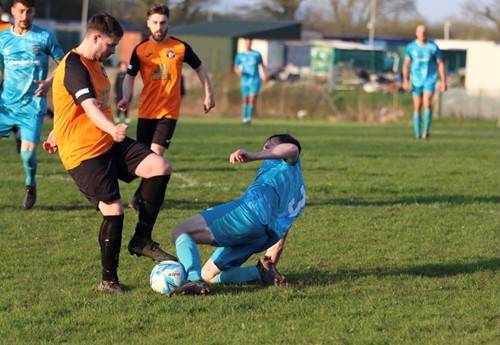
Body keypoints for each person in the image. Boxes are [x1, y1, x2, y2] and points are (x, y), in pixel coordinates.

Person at [43, 12, 176, 295]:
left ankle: (142, 240)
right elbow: (89, 107)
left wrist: (59, 128)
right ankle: (109, 281)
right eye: (111, 45)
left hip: (106, 140)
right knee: (114, 210)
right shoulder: (75, 66)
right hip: (84, 153)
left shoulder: (97, 63)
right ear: (94, 38)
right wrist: (112, 128)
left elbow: (78, 106)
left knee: (160, 167)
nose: (113, 50)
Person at [164, 134, 306, 296]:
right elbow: (283, 230)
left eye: (269, 147)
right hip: (262, 237)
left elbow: (292, 148)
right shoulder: (298, 188)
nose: (265, 151)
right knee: (208, 274)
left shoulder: (285, 162)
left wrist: (254, 156)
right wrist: (270, 261)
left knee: (181, 231)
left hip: (248, 214)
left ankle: (193, 280)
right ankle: (258, 272)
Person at [118, 2, 215, 211]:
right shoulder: (141, 50)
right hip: (146, 112)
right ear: (148, 23)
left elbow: (200, 69)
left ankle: (139, 198)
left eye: (163, 22)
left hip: (168, 113)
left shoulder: (179, 47)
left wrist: (209, 94)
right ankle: (138, 193)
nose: (159, 27)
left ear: (168, 23)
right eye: (155, 23)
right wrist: (126, 97)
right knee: (142, 159)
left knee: (156, 154)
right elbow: (129, 77)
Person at [0, 0, 64, 209]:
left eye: (29, 11)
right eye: (20, 11)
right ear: (12, 12)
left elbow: (64, 63)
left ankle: (31, 183)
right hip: (6, 106)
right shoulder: (3, 39)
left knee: (27, 154)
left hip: (32, 107)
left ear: (34, 12)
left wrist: (49, 82)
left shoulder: (44, 37)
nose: (24, 16)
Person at [402, 24, 447, 140]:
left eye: (424, 32)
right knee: (417, 106)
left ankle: (425, 132)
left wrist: (443, 81)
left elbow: (440, 63)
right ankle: (417, 134)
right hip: (416, 80)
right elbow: (406, 64)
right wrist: (405, 80)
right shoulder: (411, 47)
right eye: (420, 32)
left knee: (427, 102)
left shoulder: (433, 47)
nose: (422, 34)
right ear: (416, 33)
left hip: (429, 79)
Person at [233, 37, 269, 125]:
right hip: (245, 80)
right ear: (245, 44)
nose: (248, 44)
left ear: (251, 43)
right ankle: (244, 118)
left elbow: (262, 65)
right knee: (245, 100)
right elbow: (236, 68)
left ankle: (249, 118)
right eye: (247, 42)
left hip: (255, 80)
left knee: (252, 99)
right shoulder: (240, 56)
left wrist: (265, 76)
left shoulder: (256, 54)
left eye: (249, 42)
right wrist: (239, 72)